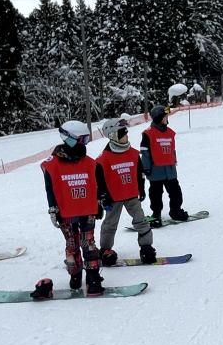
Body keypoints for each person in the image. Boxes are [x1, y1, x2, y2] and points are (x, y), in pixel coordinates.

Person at [41, 120, 105, 296]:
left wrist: (99, 202)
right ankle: (75, 274)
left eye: (86, 140)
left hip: (87, 210)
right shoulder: (52, 164)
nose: (84, 144)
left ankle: (92, 278)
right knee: (72, 244)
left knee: (89, 244)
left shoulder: (90, 163)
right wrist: (52, 209)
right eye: (81, 140)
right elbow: (50, 189)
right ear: (68, 138)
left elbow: (97, 185)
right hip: (65, 212)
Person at [96, 117, 157, 265]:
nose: (127, 136)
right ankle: (105, 250)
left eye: (126, 133)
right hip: (113, 198)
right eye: (123, 133)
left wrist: (141, 189)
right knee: (110, 224)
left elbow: (138, 173)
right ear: (113, 136)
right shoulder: (103, 159)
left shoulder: (134, 153)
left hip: (131, 195)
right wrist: (102, 197)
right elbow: (99, 181)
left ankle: (146, 247)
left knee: (141, 221)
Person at [140, 105, 189, 228]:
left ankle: (175, 211)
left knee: (176, 193)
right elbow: (145, 153)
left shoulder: (170, 133)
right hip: (155, 171)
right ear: (159, 118)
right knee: (156, 194)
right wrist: (146, 168)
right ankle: (156, 214)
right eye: (165, 116)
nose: (167, 118)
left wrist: (174, 161)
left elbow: (172, 150)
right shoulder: (148, 134)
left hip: (170, 170)